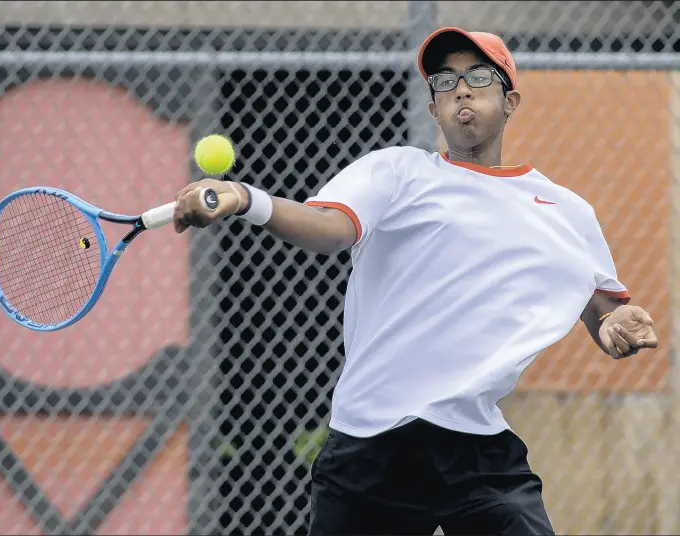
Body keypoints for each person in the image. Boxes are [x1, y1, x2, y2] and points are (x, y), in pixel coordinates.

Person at [172, 27, 659, 536]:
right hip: (372, 444)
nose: (461, 90)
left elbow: (602, 306)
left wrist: (615, 324)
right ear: (433, 110)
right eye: (445, 82)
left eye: (477, 76)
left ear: (510, 99)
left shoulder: (567, 211)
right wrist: (246, 198)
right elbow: (329, 229)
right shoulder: (399, 172)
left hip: (476, 448)